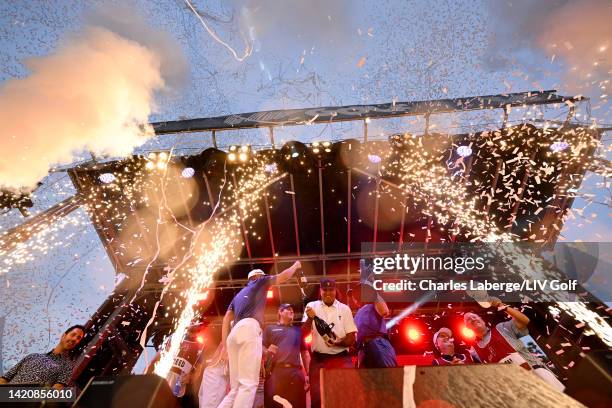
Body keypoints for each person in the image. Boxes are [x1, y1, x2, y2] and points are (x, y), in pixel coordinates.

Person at [218, 261, 302, 408]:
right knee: (248, 384)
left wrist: (225, 345)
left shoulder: (238, 296)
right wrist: (295, 266)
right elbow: (283, 276)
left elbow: (226, 318)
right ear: (257, 277)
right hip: (249, 329)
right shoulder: (260, 281)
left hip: (234, 334)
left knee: (236, 388)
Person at [464, 300, 565, 391]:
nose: (473, 319)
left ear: (482, 320)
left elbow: (524, 320)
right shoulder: (475, 351)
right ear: (467, 327)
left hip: (535, 371)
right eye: (468, 319)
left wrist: (502, 305)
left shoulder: (501, 327)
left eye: (474, 316)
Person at [302, 278, 357, 408]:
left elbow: (351, 338)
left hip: (341, 359)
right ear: (320, 291)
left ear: (335, 291)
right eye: (324, 290)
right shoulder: (311, 306)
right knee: (317, 398)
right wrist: (310, 319)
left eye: (330, 290)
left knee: (346, 396)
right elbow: (303, 334)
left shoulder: (344, 309)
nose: (328, 293)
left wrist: (338, 342)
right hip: (318, 359)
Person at [0, 324, 85, 389]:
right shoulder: (32, 356)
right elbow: (5, 378)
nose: (75, 339)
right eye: (73, 335)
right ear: (64, 335)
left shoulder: (67, 366)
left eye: (78, 338)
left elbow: (54, 392)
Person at [263, 303, 309, 408]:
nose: (292, 311)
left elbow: (305, 353)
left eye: (292, 310)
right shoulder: (270, 328)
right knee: (274, 404)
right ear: (280, 312)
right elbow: (260, 347)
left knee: (298, 404)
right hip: (276, 372)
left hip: (295, 373)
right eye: (288, 309)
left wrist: (307, 374)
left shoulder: (298, 331)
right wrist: (266, 350)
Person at [352, 281, 397, 368]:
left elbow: (385, 311)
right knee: (367, 380)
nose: (354, 297)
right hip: (362, 350)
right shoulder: (357, 314)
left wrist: (373, 291)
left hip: (378, 344)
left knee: (387, 377)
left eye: (358, 293)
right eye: (354, 295)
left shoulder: (374, 305)